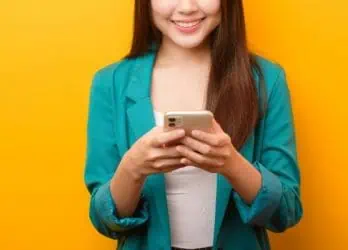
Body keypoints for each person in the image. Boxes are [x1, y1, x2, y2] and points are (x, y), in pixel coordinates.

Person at [84, 0, 303, 249]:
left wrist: (231, 164)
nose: (187, 7)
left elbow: (286, 211)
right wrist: (133, 168)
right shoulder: (109, 83)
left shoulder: (266, 80)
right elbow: (104, 221)